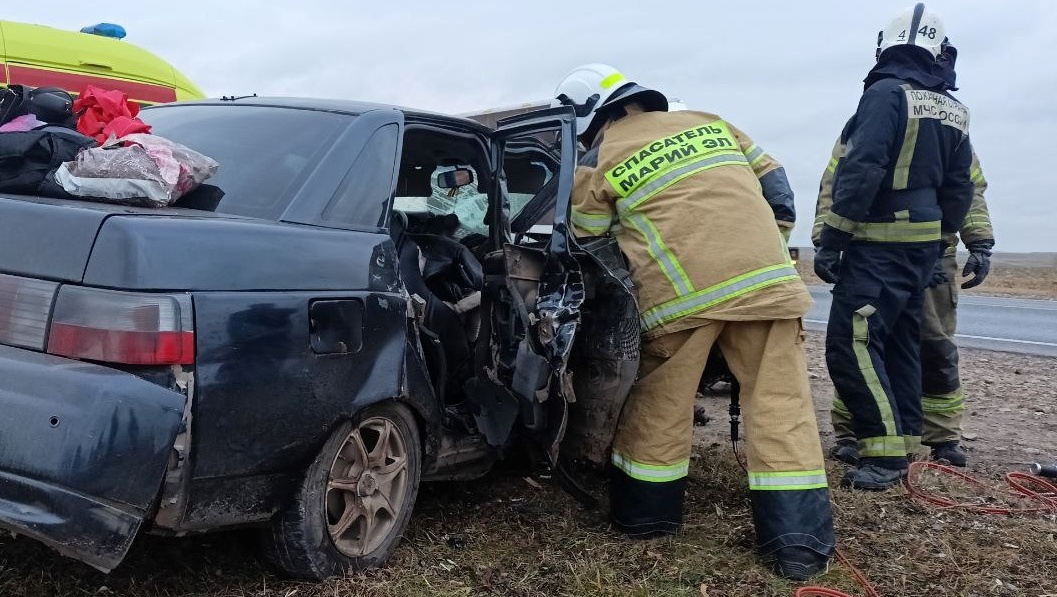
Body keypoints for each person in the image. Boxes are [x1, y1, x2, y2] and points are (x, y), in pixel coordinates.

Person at [555, 63, 834, 579]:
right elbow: (776, 185)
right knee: (781, 406)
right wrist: (766, 240)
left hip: (681, 299)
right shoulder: (715, 124)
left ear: (590, 119)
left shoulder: (601, 155)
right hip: (766, 285)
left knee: (661, 404)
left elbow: (587, 238)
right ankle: (798, 548)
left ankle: (647, 520)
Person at [814, 3, 975, 490]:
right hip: (924, 246)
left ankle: (883, 457)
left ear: (885, 46)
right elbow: (961, 186)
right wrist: (942, 242)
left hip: (879, 243)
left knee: (852, 344)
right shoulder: (952, 107)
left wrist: (834, 237)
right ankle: (903, 440)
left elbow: (862, 167)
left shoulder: (886, 94)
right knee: (902, 343)